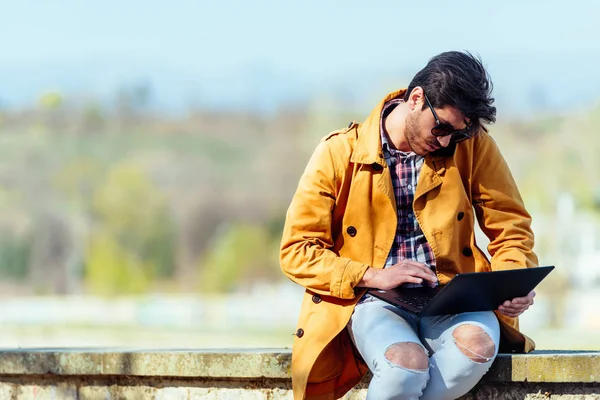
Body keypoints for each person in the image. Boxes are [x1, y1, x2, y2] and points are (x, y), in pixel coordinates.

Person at [279, 51, 539, 400]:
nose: (446, 142)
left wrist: (511, 281)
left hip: (455, 297)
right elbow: (297, 251)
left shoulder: (474, 147)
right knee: (404, 367)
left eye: (457, 134)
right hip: (373, 299)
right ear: (416, 99)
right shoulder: (338, 153)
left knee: (476, 349)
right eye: (442, 128)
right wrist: (372, 275)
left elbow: (511, 228)